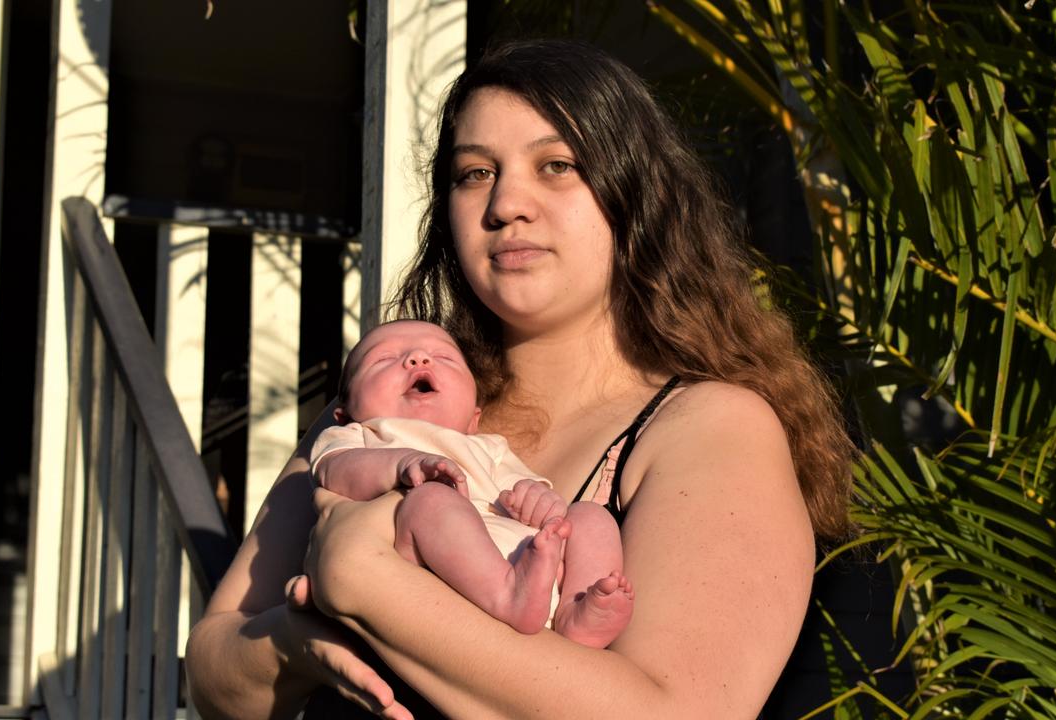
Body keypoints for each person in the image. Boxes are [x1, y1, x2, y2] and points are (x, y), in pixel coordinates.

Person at [185, 38, 854, 719]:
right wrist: (291, 645)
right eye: (474, 173)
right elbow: (212, 671)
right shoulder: (384, 409)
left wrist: (365, 580)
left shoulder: (712, 428)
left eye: (556, 165)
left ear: (634, 195)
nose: (507, 203)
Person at [312, 319, 633, 647]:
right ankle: (508, 595)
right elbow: (335, 472)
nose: (418, 358)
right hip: (450, 572)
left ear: (474, 418)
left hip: (533, 559)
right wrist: (400, 464)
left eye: (445, 358)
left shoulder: (489, 447)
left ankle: (576, 608)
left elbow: (520, 487)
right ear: (345, 413)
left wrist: (535, 498)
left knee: (590, 516)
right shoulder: (358, 434)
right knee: (429, 499)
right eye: (383, 359)